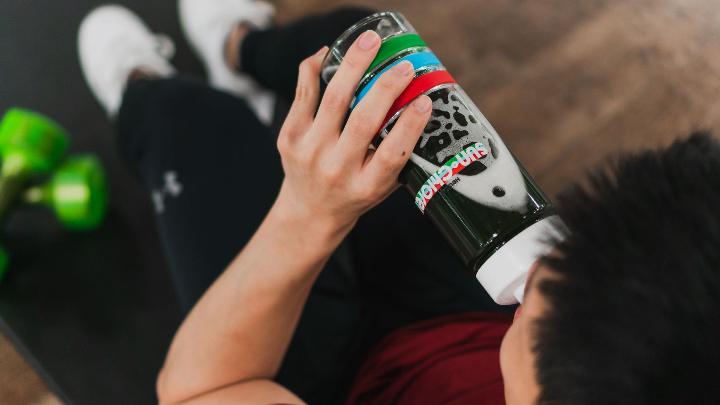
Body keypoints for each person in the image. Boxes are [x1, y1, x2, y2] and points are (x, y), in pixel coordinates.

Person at [77, 2, 720, 404]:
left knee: (185, 122)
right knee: (358, 51)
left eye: (538, 316)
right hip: (458, 319)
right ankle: (240, 49)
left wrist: (308, 213)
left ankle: (148, 89)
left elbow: (199, 390)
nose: (549, 267)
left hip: (329, 378)